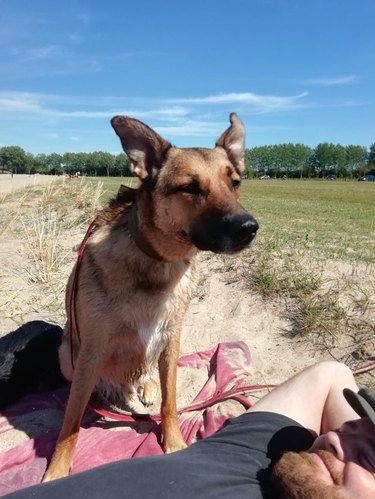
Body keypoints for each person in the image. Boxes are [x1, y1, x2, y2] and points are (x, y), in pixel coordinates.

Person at [3, 361, 375, 498]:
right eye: (350, 427)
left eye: (371, 456)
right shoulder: (264, 454)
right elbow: (332, 375)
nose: (335, 439)